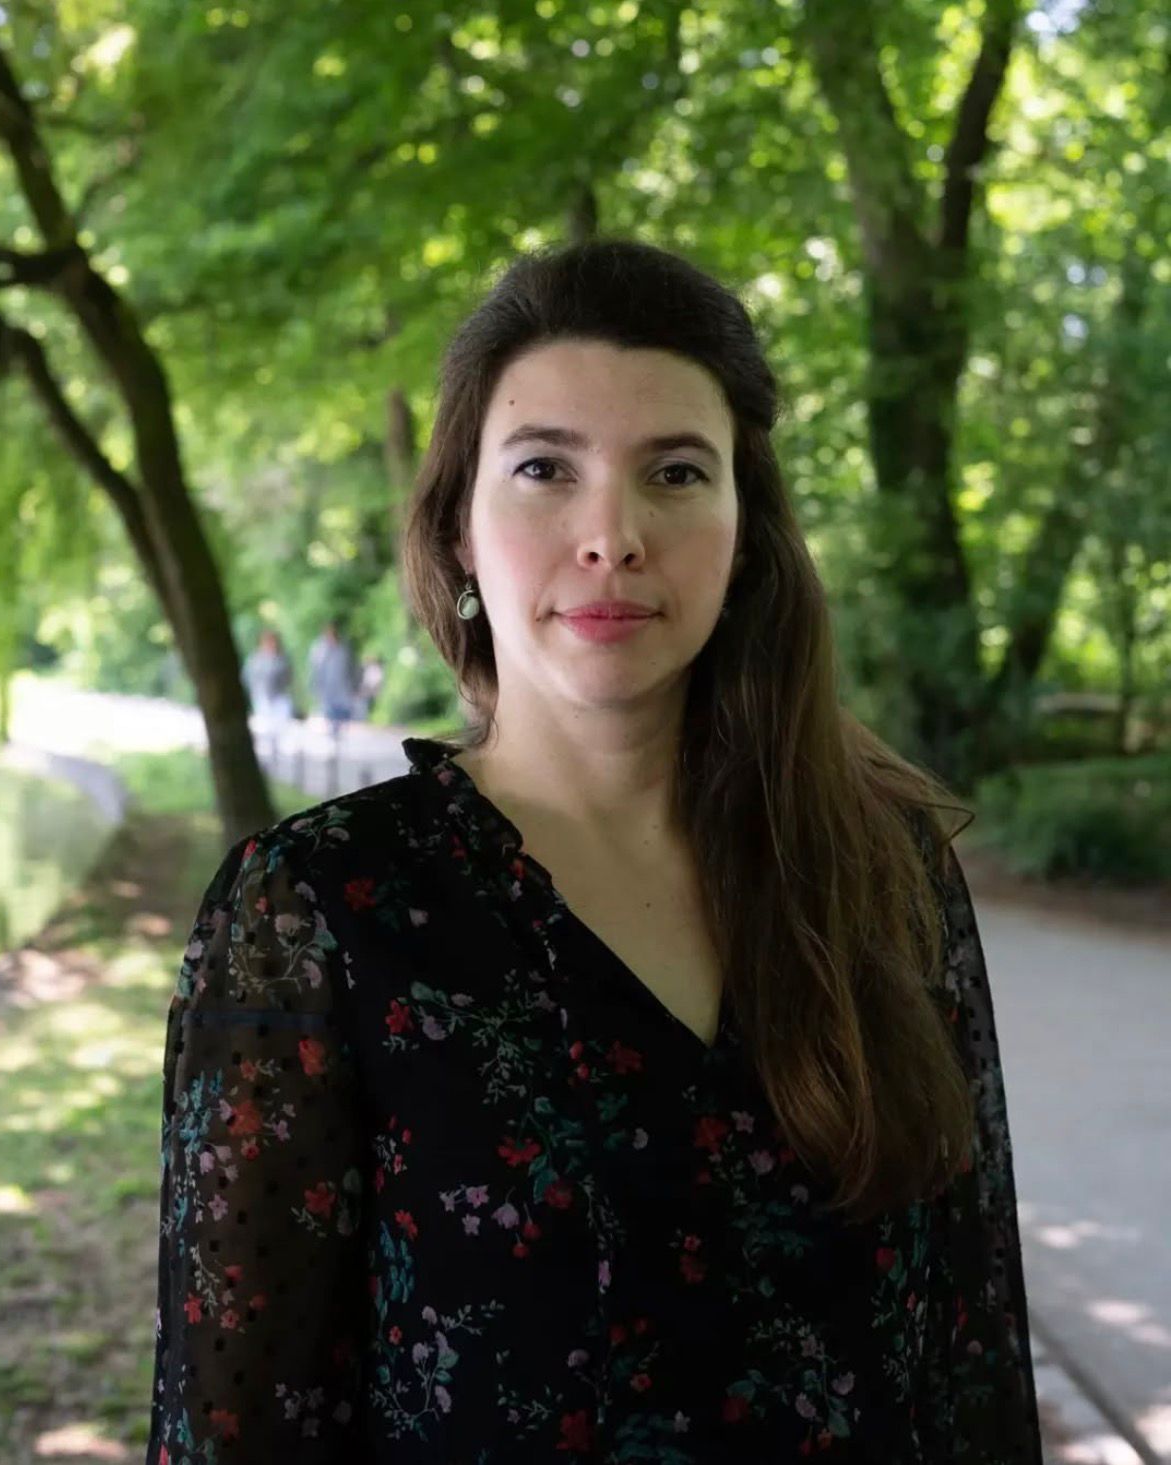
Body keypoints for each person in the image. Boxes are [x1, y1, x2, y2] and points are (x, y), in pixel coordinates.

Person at [146, 240, 1043, 1463]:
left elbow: (974, 1352)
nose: (610, 534)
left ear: (748, 534)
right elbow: (239, 1427)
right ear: (460, 528)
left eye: (675, 471)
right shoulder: (319, 915)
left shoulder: (880, 874)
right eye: (543, 470)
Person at [240, 628, 294, 745]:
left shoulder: (282, 658)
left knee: (282, 729)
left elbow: (288, 678)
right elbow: (247, 677)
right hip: (262, 698)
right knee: (267, 730)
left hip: (279, 697)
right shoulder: (255, 660)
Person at [307, 618, 359, 739]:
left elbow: (352, 667)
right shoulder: (319, 648)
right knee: (329, 713)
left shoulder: (344, 648)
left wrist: (355, 685)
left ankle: (338, 734)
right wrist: (314, 686)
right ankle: (333, 736)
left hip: (343, 688)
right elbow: (314, 668)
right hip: (326, 688)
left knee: (342, 714)